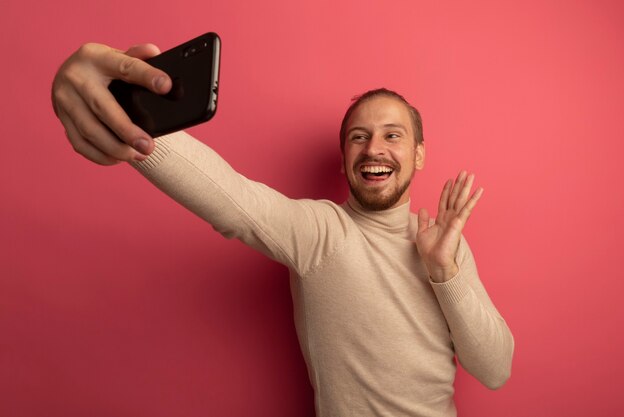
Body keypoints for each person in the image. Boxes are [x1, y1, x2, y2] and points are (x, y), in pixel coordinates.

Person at [52, 42, 514, 417]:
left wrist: (444, 271)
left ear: (418, 155)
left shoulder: (444, 246)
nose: (374, 148)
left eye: (393, 135)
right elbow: (232, 199)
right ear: (344, 158)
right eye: (359, 136)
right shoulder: (321, 232)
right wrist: (124, 116)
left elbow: (494, 370)